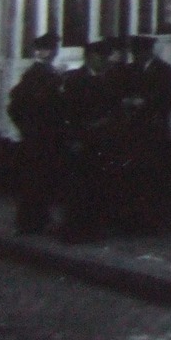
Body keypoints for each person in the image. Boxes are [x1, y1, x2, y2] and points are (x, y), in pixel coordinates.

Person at [58, 37, 122, 242]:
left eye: (105, 57)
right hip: (81, 140)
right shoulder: (74, 80)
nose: (104, 61)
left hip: (103, 141)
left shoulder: (110, 79)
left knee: (99, 185)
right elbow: (67, 112)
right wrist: (74, 138)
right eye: (100, 57)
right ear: (89, 58)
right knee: (78, 188)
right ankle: (74, 230)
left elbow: (115, 108)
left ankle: (94, 229)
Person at [123, 34, 171, 232]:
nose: (135, 56)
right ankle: (135, 222)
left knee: (153, 178)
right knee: (135, 178)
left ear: (148, 51)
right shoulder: (129, 71)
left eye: (138, 52)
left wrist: (147, 102)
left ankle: (152, 222)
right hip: (133, 132)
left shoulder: (165, 72)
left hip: (154, 131)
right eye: (134, 53)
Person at [6, 32, 63, 234]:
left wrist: (26, 128)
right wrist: (32, 128)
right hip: (41, 137)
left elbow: (14, 107)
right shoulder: (41, 75)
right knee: (37, 180)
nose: (53, 53)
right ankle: (32, 222)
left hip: (36, 136)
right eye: (50, 49)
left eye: (54, 49)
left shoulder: (38, 73)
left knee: (36, 180)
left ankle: (33, 220)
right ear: (43, 51)